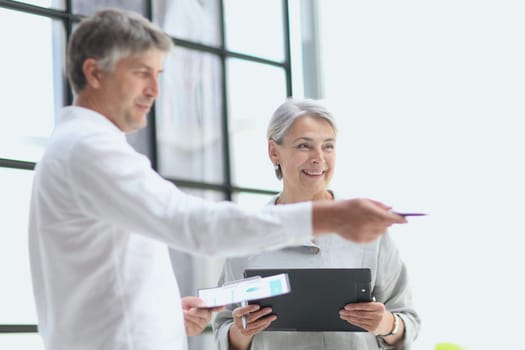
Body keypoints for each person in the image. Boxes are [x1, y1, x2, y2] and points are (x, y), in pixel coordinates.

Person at [28, 8, 406, 350]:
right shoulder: (90, 152)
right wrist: (331, 216)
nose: (155, 91)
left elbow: (107, 278)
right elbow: (195, 225)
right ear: (94, 73)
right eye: (142, 73)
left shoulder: (82, 150)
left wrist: (165, 313)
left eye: (159, 75)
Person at [213, 98, 421, 349]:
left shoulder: (367, 230)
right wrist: (241, 331)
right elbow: (223, 328)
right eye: (304, 146)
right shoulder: (249, 236)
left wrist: (386, 324)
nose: (318, 158)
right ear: (274, 151)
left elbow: (408, 321)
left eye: (328, 146)